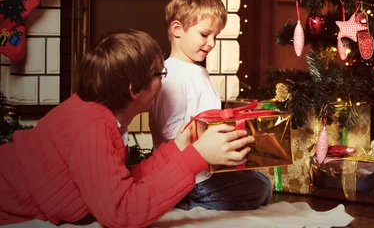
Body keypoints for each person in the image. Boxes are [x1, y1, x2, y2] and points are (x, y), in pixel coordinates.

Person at [0, 29, 254, 227]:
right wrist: (197, 157)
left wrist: (178, 149)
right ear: (134, 89)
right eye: (160, 75)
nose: (163, 83)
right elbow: (121, 213)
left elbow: (123, 183)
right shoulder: (92, 127)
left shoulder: (96, 113)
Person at [150, 0, 272, 211]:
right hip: (189, 177)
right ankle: (184, 198)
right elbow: (171, 136)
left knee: (262, 183)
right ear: (177, 29)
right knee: (261, 189)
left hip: (206, 170)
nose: (212, 43)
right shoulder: (172, 75)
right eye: (205, 34)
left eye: (215, 36)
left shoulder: (197, 70)